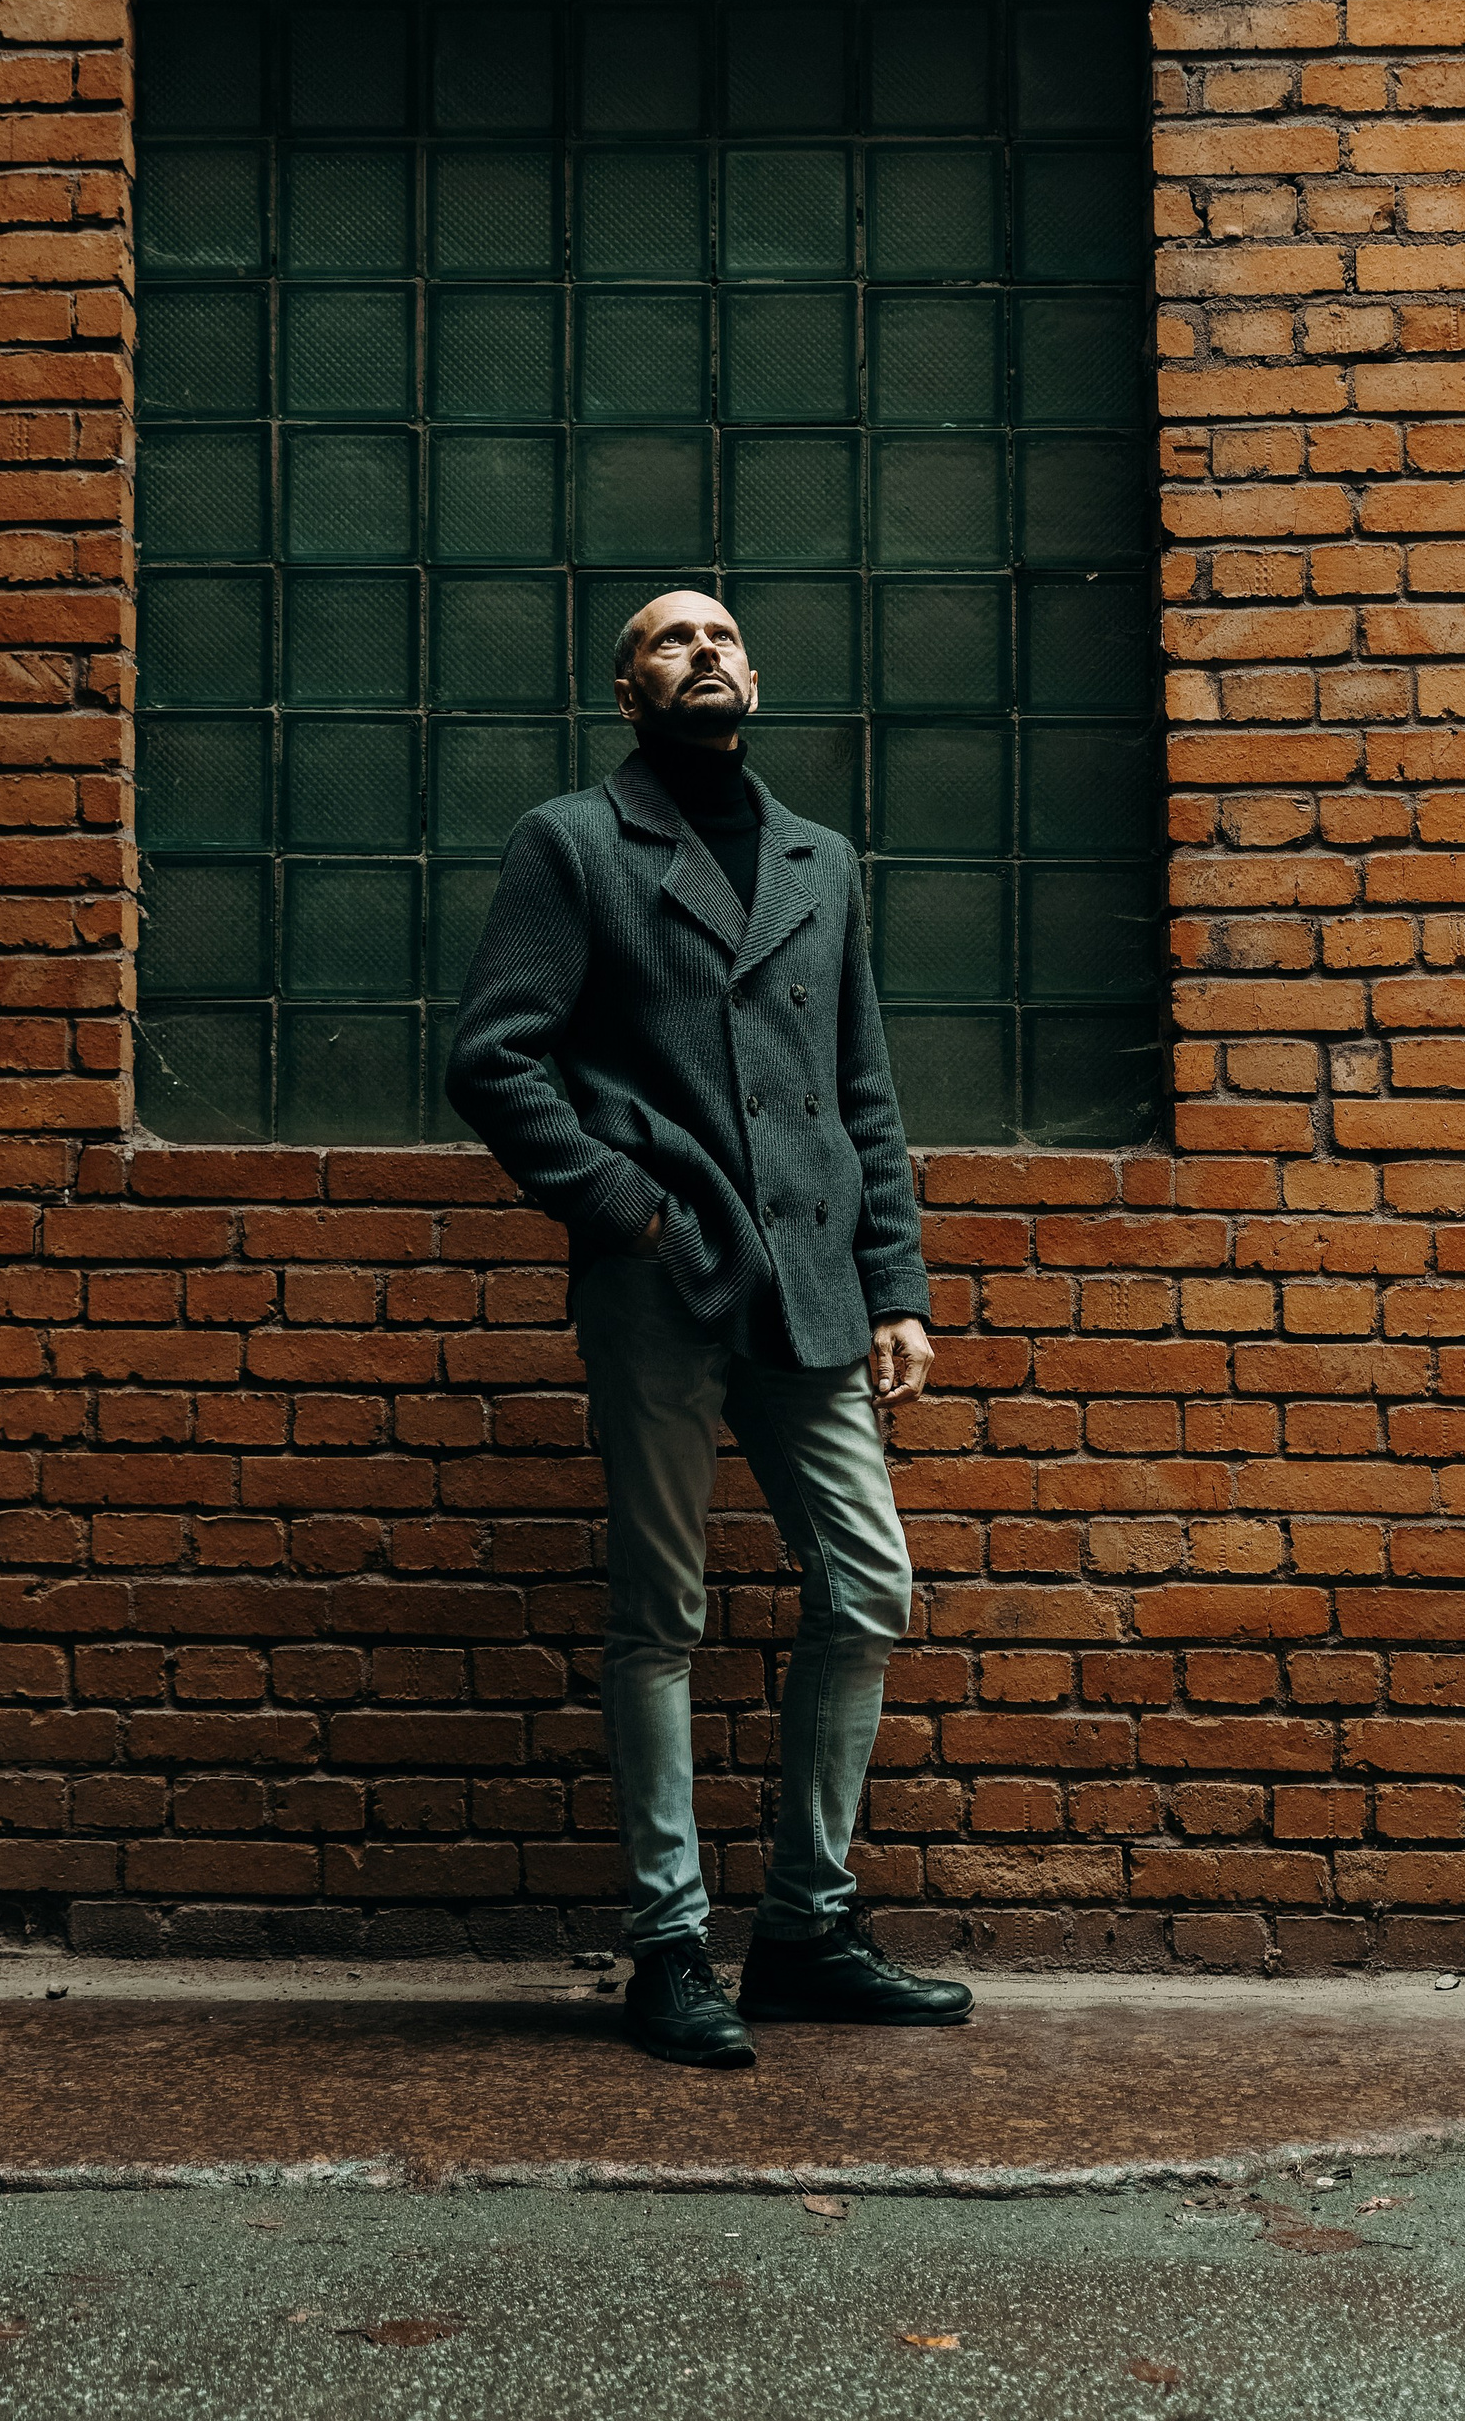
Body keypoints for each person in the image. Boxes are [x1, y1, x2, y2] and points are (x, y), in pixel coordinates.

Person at [446, 589, 973, 2067]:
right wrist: (622, 1204)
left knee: (868, 1586)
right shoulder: (573, 843)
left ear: (755, 677)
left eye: (724, 637)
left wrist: (897, 1285)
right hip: (664, 1278)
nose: (705, 654)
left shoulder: (821, 859)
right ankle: (669, 1945)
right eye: (672, 642)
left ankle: (805, 1928)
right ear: (630, 691)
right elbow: (493, 1058)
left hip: (811, 1278)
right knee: (660, 1614)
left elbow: (862, 1087)